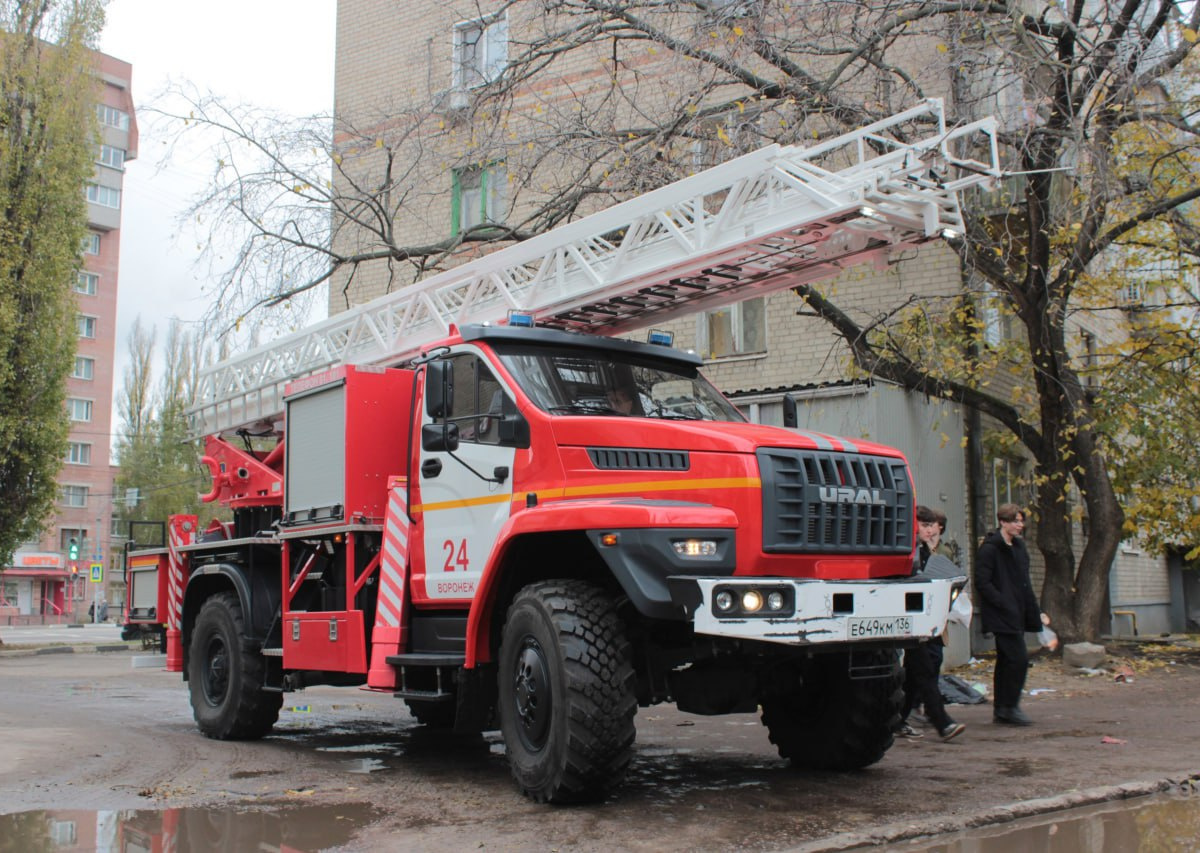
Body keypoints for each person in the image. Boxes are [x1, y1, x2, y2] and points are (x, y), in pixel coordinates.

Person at [976, 503, 1050, 726]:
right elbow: (983, 582)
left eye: (1021, 520)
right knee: (1018, 659)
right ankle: (1009, 706)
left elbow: (1024, 583)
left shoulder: (1018, 548)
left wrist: (1034, 611)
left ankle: (1003, 708)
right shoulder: (990, 548)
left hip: (1017, 611)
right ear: (1003, 522)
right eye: (1015, 521)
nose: (1020, 525)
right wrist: (1003, 602)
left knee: (1007, 661)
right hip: (1002, 614)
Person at [897, 505, 965, 742]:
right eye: (924, 526)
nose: (929, 531)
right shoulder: (907, 550)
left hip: (922, 619)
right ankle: (942, 722)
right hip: (910, 619)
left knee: (917, 673)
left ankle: (897, 720)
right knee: (923, 669)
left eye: (930, 526)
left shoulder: (924, 551)